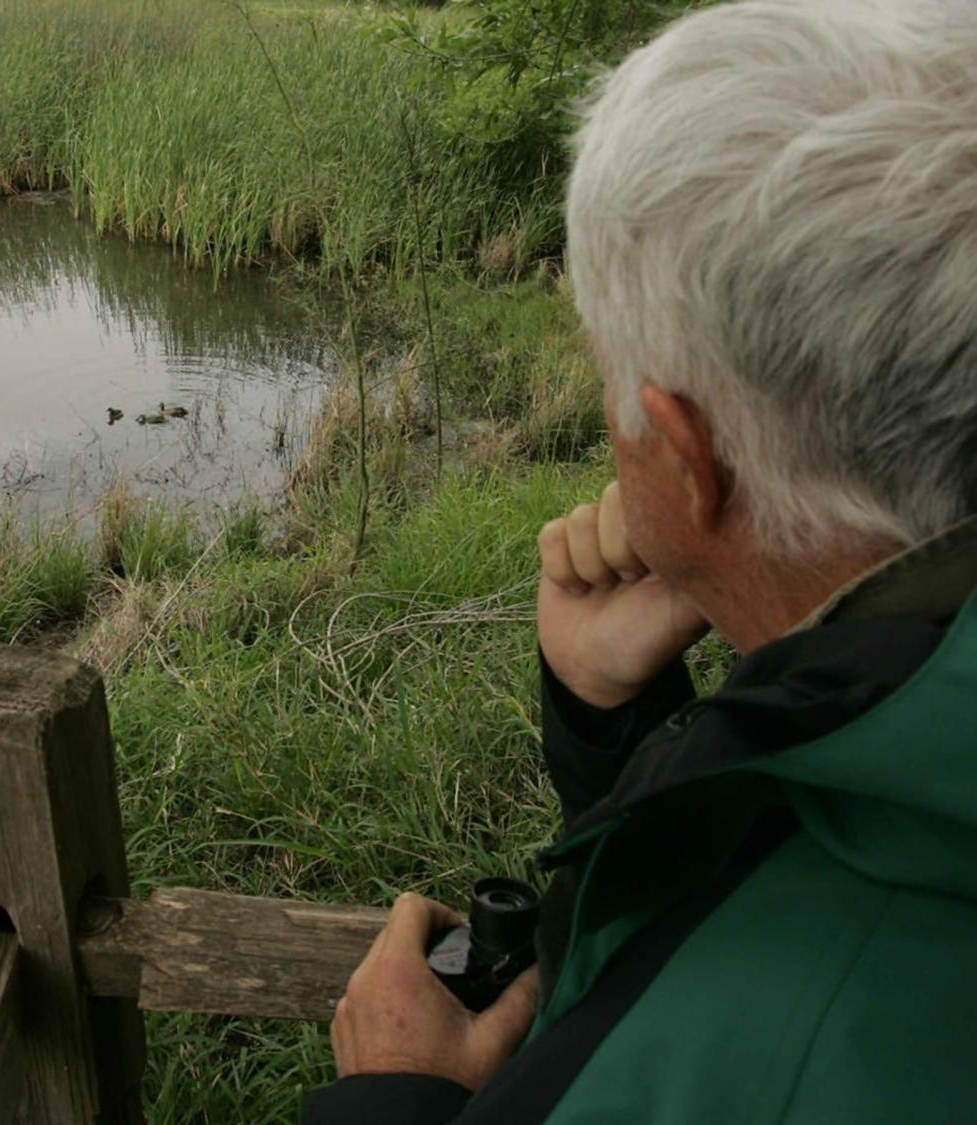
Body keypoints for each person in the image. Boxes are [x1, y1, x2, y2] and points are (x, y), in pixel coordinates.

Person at [304, 0, 977, 1120]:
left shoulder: (734, 1058)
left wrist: (397, 1100)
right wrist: (614, 719)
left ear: (686, 453)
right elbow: (792, 842)